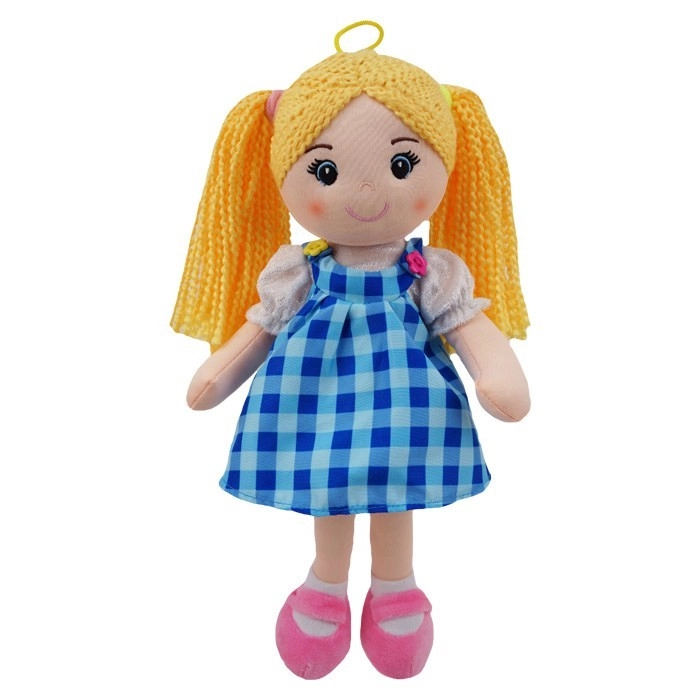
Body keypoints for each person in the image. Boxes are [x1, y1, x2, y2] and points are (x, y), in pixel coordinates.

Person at [172, 21, 530, 680]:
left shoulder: (428, 271)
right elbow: (262, 326)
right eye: (326, 171)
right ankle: (326, 585)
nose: (366, 194)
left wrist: (498, 375)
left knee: (394, 496)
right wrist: (216, 375)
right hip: (317, 404)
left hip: (404, 408)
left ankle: (395, 587)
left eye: (402, 165)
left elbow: (466, 321)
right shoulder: (298, 270)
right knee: (329, 494)